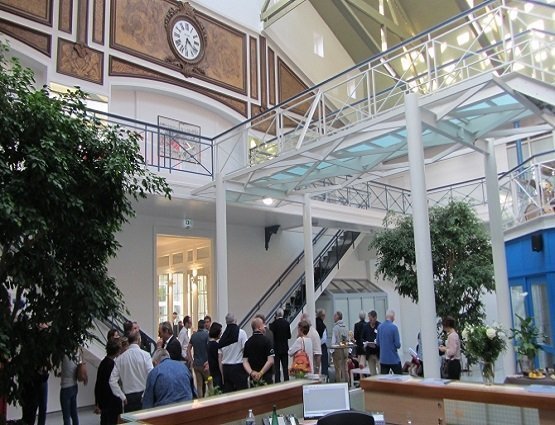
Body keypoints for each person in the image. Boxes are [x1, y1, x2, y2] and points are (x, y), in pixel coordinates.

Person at [109, 332, 153, 412]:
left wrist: (122, 396)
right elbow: (152, 376)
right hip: (143, 394)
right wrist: (146, 394)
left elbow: (112, 380)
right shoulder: (146, 355)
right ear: (139, 340)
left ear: (128, 342)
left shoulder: (120, 359)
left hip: (128, 397)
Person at [218, 313, 248, 393]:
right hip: (238, 367)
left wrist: (222, 374)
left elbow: (220, 358)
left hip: (226, 368)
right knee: (241, 393)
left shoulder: (222, 337)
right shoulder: (241, 333)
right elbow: (246, 350)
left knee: (228, 395)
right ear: (235, 321)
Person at [95, 340, 122, 425]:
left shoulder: (103, 363)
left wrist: (97, 402)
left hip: (104, 400)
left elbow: (98, 384)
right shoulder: (113, 365)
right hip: (112, 401)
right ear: (117, 351)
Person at [243, 317, 275, 385]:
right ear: (259, 327)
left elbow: (245, 362)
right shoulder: (267, 341)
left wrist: (251, 372)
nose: (264, 327)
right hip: (266, 377)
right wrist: (260, 373)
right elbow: (270, 361)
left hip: (253, 378)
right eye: (263, 325)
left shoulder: (248, 342)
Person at [60, 350, 87, 425]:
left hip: (66, 387)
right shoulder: (77, 352)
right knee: (74, 413)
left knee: (66, 416)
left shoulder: (64, 354)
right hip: (74, 386)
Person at [188, 319, 210, 397]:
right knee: (210, 384)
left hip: (196, 364)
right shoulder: (207, 335)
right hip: (205, 364)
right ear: (204, 326)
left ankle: (200, 402)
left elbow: (188, 348)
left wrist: (191, 360)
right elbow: (209, 348)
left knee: (199, 385)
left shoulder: (193, 336)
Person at [376, 310, 402, 374]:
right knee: (399, 378)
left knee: (384, 380)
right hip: (393, 358)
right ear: (392, 317)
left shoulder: (380, 327)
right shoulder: (394, 328)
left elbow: (378, 343)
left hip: (383, 359)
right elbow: (397, 345)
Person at [269, 308, 291, 383]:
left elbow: (272, 337)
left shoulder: (273, 325)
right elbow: (289, 336)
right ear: (283, 314)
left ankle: (277, 382)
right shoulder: (286, 323)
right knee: (285, 367)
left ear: (276, 315)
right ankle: (286, 382)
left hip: (276, 348)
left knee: (277, 368)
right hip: (284, 348)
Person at [331, 311, 349, 382]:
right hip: (345, 349)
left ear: (337, 317)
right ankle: (347, 382)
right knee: (345, 367)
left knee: (338, 368)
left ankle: (339, 383)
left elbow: (333, 341)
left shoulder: (335, 328)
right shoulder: (345, 327)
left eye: (334, 316)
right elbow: (347, 339)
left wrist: (331, 351)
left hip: (338, 350)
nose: (333, 317)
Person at [362, 310, 380, 375]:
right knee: (372, 372)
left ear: (375, 318)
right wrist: (365, 343)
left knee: (380, 371)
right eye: (369, 318)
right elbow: (362, 338)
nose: (370, 320)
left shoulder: (379, 326)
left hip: (378, 353)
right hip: (369, 353)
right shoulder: (366, 326)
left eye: (371, 319)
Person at [207, 322, 224, 390]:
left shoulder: (209, 344)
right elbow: (219, 361)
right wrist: (223, 374)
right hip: (217, 373)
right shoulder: (216, 345)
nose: (221, 333)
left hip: (212, 372)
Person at [316, 309, 329, 377]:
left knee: (316, 365)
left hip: (315, 347)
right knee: (324, 364)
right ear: (322, 316)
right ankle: (325, 378)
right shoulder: (323, 326)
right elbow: (324, 339)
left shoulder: (313, 323)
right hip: (322, 347)